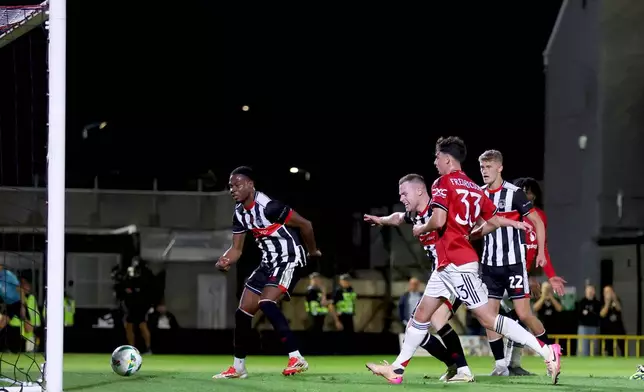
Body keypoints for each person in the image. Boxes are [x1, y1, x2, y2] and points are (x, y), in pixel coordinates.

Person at [365, 136, 562, 385]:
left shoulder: (442, 183)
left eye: (437, 157)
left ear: (447, 159)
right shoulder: (472, 186)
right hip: (447, 265)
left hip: (458, 263)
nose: (435, 161)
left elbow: (437, 221)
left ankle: (547, 352)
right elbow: (491, 220)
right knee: (422, 315)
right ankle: (397, 369)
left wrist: (420, 228)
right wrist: (502, 224)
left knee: (488, 319)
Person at [364, 173, 475, 382]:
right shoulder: (415, 214)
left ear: (419, 190)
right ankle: (453, 365)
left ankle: (463, 369)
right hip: (441, 275)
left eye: (404, 193)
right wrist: (380, 220)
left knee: (436, 319)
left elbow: (462, 221)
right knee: (417, 326)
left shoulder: (438, 210)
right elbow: (397, 218)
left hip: (454, 272)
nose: (402, 198)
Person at [213, 166, 321, 379]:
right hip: (268, 262)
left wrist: (313, 251)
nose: (232, 190)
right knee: (242, 312)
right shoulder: (239, 213)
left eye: (237, 185)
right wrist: (225, 259)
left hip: (289, 258)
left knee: (266, 302)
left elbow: (306, 225)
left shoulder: (270, 207)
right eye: (230, 186)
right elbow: (236, 249)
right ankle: (238, 367)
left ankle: (296, 357)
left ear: (251, 185)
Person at [474, 150, 565, 377]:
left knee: (524, 314)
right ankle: (501, 366)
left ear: (500, 168)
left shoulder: (515, 193)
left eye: (488, 167)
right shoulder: (480, 194)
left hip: (515, 264)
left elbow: (537, 222)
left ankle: (550, 349)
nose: (484, 171)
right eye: (482, 167)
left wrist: (541, 254)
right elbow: (477, 226)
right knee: (489, 316)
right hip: (490, 265)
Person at [500, 177, 567, 372]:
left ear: (535, 195)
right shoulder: (510, 214)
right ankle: (511, 362)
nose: (525, 195)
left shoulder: (539, 217)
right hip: (501, 271)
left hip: (519, 274)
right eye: (521, 190)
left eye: (528, 191)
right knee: (507, 314)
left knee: (520, 317)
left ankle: (513, 364)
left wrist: (547, 276)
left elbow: (541, 250)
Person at [576, 284, 601, 356]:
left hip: (594, 327)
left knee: (594, 349)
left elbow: (598, 315)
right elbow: (579, 315)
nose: (590, 292)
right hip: (583, 327)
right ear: (585, 291)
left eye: (592, 290)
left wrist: (588, 313)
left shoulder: (597, 303)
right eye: (588, 290)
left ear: (594, 292)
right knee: (583, 349)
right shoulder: (581, 302)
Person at [600, 285, 625, 356]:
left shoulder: (617, 300)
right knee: (609, 351)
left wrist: (614, 299)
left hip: (619, 329)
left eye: (609, 291)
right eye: (606, 292)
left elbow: (619, 309)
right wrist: (607, 303)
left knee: (623, 348)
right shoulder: (601, 302)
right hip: (607, 330)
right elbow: (602, 314)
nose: (608, 293)